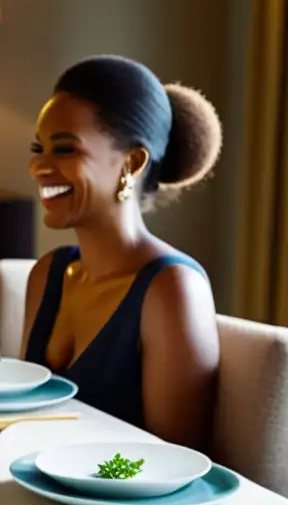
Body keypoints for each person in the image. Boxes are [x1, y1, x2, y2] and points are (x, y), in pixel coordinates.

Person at [21, 54, 221, 450]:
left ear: (131, 163)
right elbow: (22, 424)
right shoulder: (47, 274)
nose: (38, 167)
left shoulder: (172, 289)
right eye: (38, 148)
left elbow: (175, 462)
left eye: (63, 150)